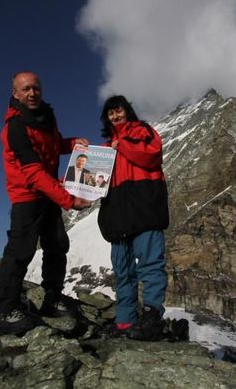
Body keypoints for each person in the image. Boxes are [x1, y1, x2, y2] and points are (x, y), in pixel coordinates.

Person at [0, 71, 91, 335]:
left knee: (57, 244)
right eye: (25, 89)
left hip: (47, 191)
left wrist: (71, 144)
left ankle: (51, 298)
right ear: (15, 94)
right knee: (20, 250)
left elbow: (50, 146)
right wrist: (68, 200)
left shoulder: (45, 117)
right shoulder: (15, 127)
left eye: (35, 88)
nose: (32, 93)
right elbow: (33, 172)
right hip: (27, 195)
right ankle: (5, 309)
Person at [97, 95, 169, 341]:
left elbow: (151, 154)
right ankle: (125, 321)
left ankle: (152, 317)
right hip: (117, 214)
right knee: (123, 270)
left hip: (145, 208)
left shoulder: (143, 131)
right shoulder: (105, 150)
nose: (116, 117)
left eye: (119, 111)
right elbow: (93, 183)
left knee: (150, 264)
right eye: (111, 114)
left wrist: (123, 145)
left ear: (127, 112)